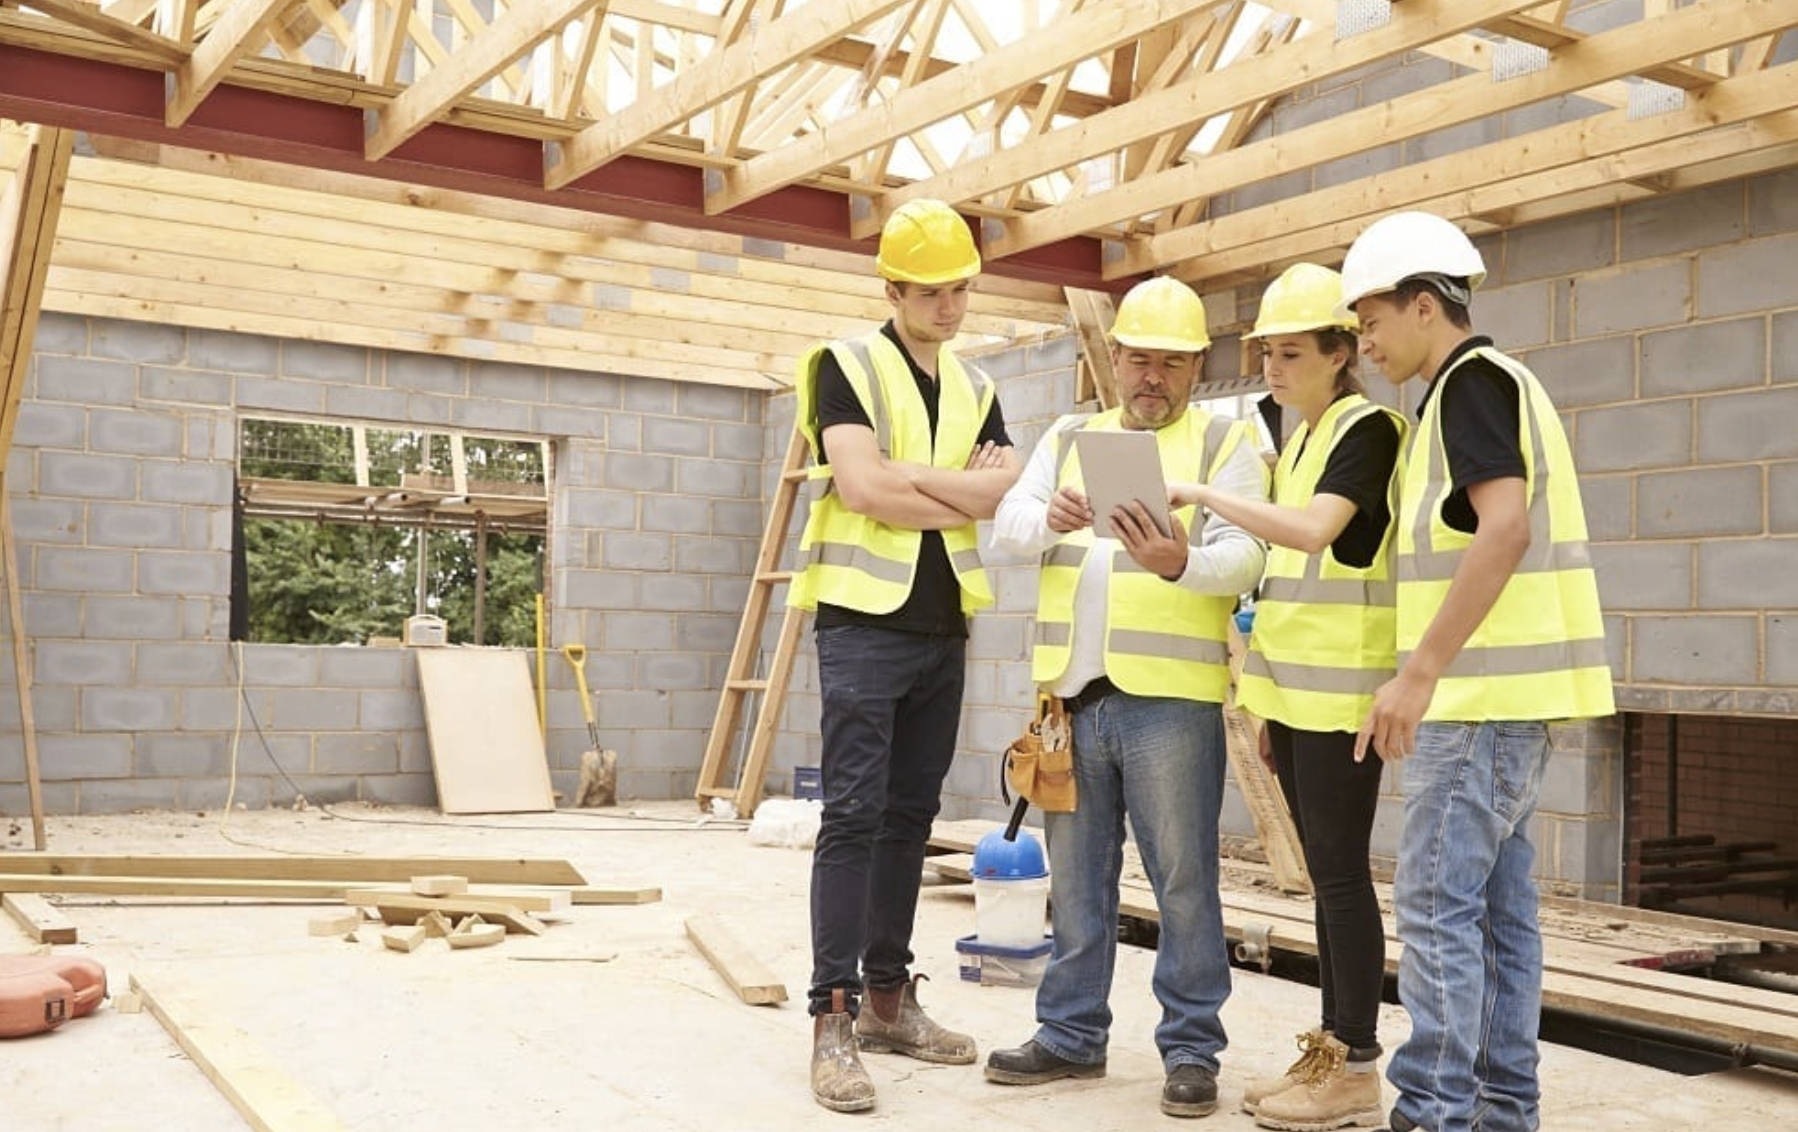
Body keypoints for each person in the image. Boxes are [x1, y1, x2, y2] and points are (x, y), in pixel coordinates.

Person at [1337, 212, 1615, 1132]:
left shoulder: (1470, 386)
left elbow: (1505, 528)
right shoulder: (1480, 393)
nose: (1365, 343)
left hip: (1479, 702)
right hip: (1508, 701)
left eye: (1373, 321)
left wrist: (1417, 675)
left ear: (1427, 306)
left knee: (1436, 907)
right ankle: (1500, 1109)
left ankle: (1434, 1112)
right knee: (1496, 913)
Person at [985, 276, 1268, 1118]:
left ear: (1197, 367)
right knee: (1076, 883)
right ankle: (1071, 1037)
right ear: (1116, 360)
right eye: (1139, 359)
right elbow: (1006, 529)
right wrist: (1053, 518)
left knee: (1184, 882)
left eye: (1171, 364)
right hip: (1073, 699)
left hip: (1169, 704)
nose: (1152, 377)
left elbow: (1250, 557)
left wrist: (1183, 561)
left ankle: (1191, 1051)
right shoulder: (1072, 435)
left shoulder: (1226, 446)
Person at [787, 198, 1021, 1114]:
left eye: (963, 290)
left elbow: (999, 496)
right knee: (851, 816)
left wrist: (913, 481)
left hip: (941, 625)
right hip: (861, 621)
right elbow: (860, 486)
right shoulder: (843, 366)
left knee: (909, 819)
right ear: (892, 287)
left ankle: (888, 997)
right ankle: (831, 1016)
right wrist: (955, 488)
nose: (952, 307)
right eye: (934, 292)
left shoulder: (977, 385)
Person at [1169, 263, 1404, 1131]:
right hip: (1297, 698)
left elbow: (1311, 534)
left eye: (1292, 352)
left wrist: (1199, 492)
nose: (1272, 367)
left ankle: (1355, 1066)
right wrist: (1263, 704)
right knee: (1324, 879)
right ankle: (1330, 1051)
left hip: (1345, 697)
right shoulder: (1298, 437)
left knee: (1342, 879)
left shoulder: (1367, 431)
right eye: (1266, 352)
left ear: (1342, 353)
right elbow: (1283, 587)